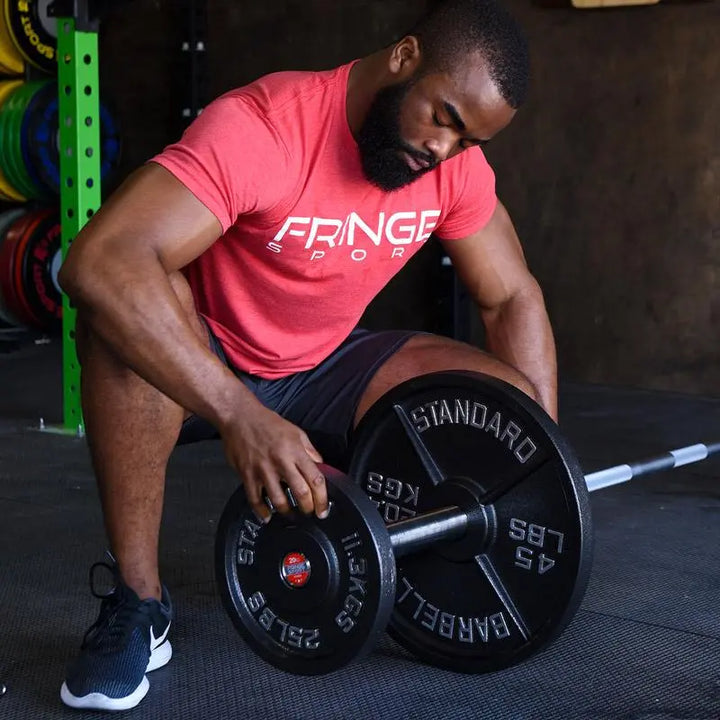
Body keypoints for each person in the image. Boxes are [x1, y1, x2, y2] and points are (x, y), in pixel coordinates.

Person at [57, 0, 557, 711]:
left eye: (468, 139)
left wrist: (541, 473)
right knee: (118, 322)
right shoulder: (265, 128)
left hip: (322, 364)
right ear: (405, 57)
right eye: (443, 116)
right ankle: (138, 602)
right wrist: (239, 413)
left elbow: (510, 298)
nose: (444, 149)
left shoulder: (454, 169)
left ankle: (403, 553)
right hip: (200, 360)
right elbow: (100, 261)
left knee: (505, 398)